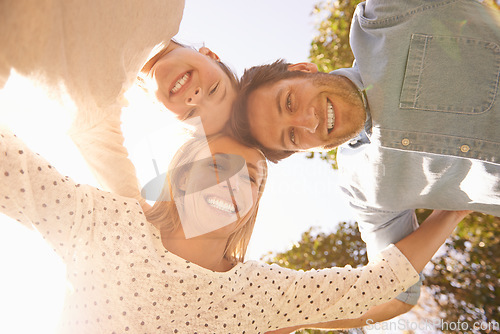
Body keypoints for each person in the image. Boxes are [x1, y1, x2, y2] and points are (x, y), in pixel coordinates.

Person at [0, 125, 470, 333]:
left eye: (251, 178)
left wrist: (454, 209)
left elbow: (375, 285)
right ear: (181, 178)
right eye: (216, 166)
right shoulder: (108, 223)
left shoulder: (260, 291)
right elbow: (14, 170)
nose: (232, 182)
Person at [230, 0, 500, 326]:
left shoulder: (385, 17)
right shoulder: (364, 189)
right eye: (291, 137)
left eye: (289, 102)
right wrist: (285, 319)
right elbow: (392, 293)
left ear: (302, 70)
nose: (307, 121)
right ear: (301, 150)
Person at [0, 0, 239, 203]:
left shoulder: (96, 105)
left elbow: (134, 214)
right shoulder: (169, 7)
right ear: (211, 55)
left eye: (192, 115)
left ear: (163, 110)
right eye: (215, 89)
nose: (195, 97)